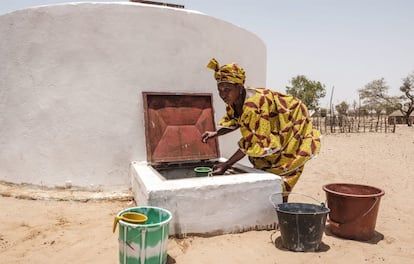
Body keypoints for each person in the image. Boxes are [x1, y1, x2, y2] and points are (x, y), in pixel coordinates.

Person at [201, 58, 321, 202]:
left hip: (291, 122)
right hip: (274, 127)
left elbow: (253, 141)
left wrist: (226, 165)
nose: (223, 95)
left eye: (227, 90)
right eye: (220, 90)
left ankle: (281, 207)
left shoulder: (253, 106)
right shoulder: (234, 100)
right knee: (264, 164)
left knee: (284, 168)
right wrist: (216, 133)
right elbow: (237, 120)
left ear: (240, 87)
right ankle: (276, 205)